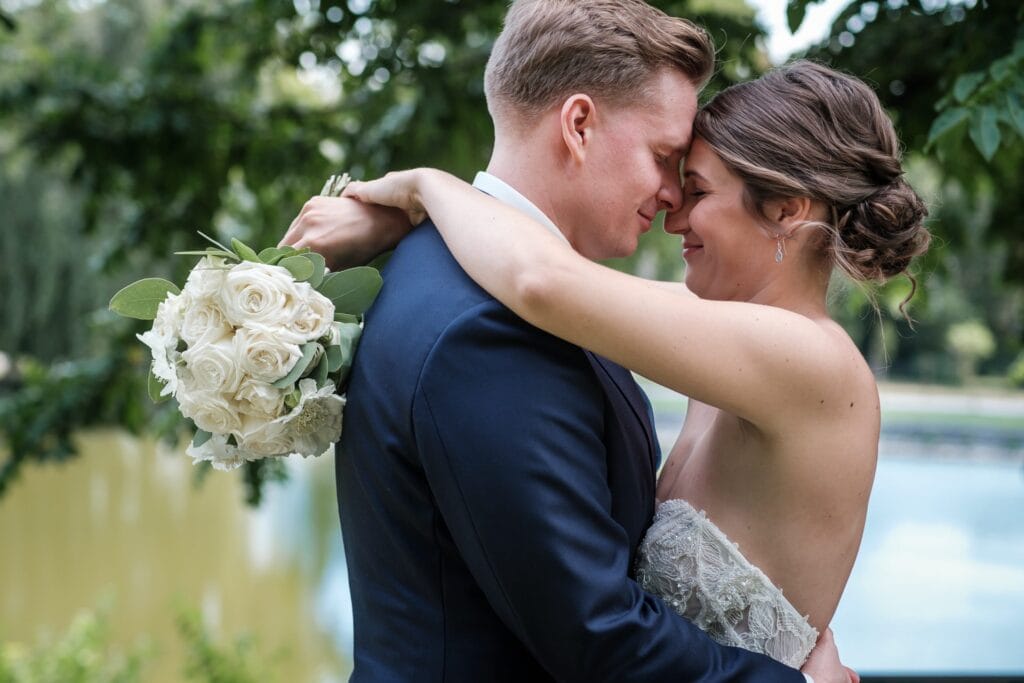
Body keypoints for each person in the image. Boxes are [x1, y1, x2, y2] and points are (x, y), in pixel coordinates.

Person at [283, 2, 854, 681]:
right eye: (666, 158)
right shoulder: (489, 331)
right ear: (579, 125)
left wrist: (423, 194)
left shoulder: (453, 272)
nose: (672, 198)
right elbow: (598, 637)